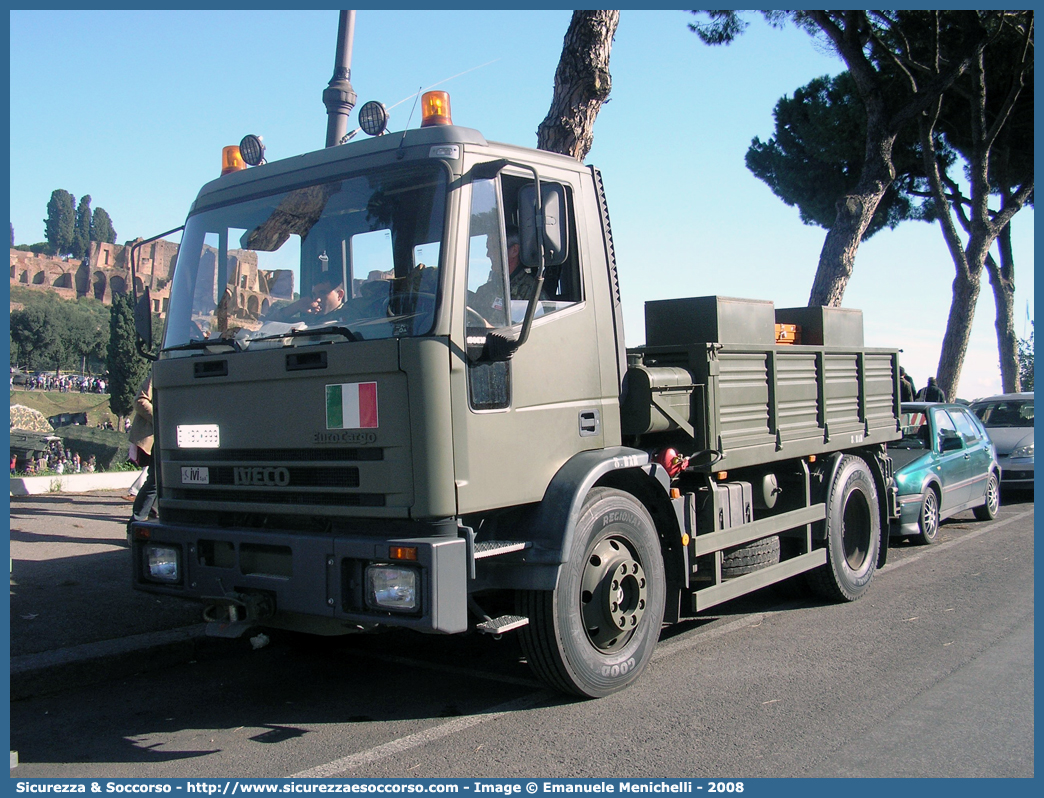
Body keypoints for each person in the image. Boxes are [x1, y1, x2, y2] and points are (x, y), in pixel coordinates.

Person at [127, 373, 156, 537]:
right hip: (157, 435)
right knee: (156, 481)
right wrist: (161, 418)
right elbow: (140, 401)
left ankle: (151, 519)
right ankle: (135, 524)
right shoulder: (157, 374)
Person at [267, 275, 347, 324]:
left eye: (323, 293)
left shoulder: (351, 317)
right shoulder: (311, 320)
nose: (317, 299)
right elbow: (269, 324)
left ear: (339, 295)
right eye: (314, 294)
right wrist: (295, 307)